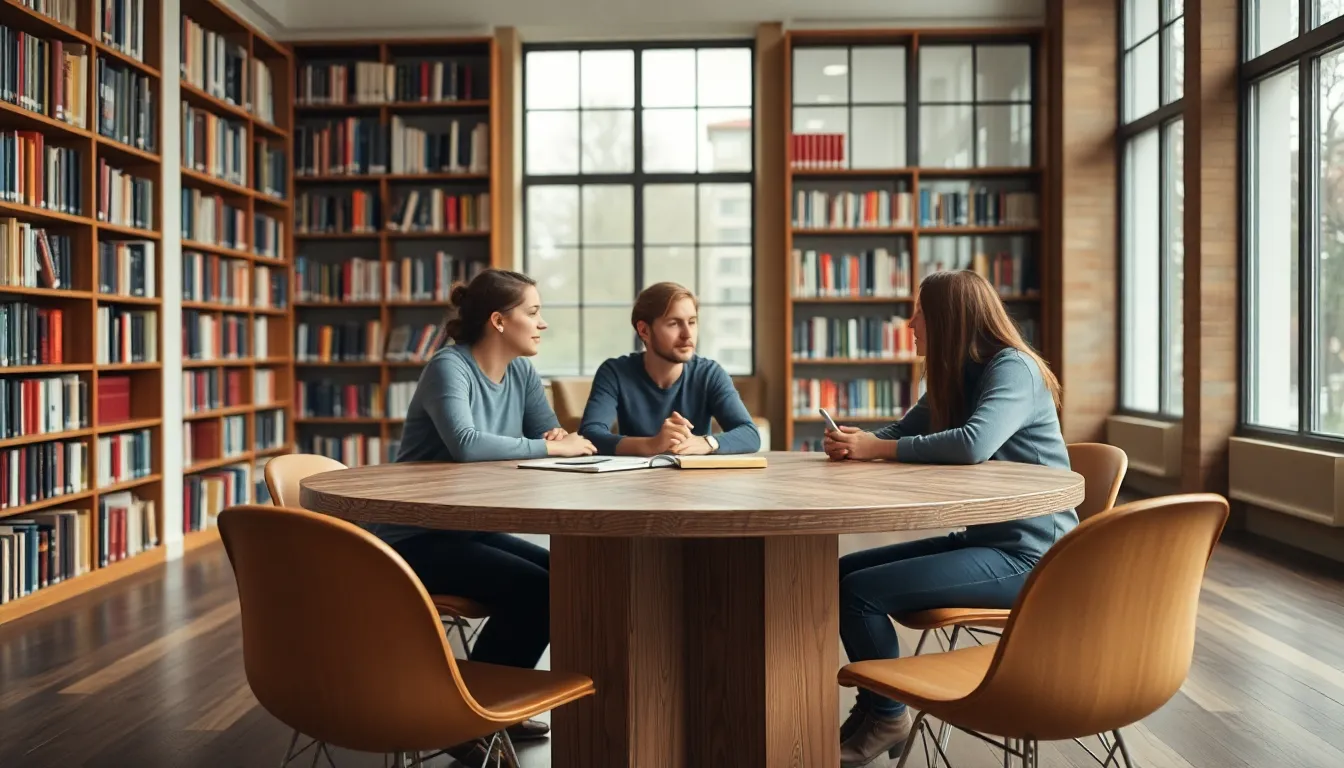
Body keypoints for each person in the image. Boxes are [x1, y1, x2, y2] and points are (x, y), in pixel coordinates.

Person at [822, 269, 1075, 767]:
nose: (910, 320)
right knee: (840, 575)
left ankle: (888, 715)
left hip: (1033, 558)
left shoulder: (1013, 368)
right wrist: (859, 443)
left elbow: (973, 444)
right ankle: (878, 709)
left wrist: (878, 448)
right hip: (986, 541)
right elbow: (905, 428)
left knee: (858, 593)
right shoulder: (957, 371)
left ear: (948, 318)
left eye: (919, 311)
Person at [372, 268, 595, 759]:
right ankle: (467, 719)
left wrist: (551, 444)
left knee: (564, 576)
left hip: (467, 531)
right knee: (539, 590)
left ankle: (491, 711)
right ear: (498, 320)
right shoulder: (449, 367)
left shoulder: (520, 372)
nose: (542, 324)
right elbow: (467, 444)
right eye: (532, 313)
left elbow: (552, 437)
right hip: (414, 537)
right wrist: (548, 446)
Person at [578, 281, 761, 456]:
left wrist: (707, 443)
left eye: (692, 322)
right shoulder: (614, 373)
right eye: (674, 323)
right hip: (633, 483)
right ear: (644, 331)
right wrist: (652, 445)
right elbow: (590, 434)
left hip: (697, 482)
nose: (687, 334)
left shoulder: (709, 374)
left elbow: (750, 434)